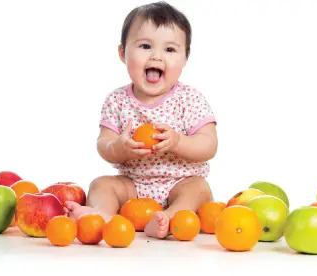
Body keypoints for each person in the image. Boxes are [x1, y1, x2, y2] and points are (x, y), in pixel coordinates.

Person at [65, 1, 218, 239]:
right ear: (122, 53)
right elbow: (103, 144)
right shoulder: (116, 100)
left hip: (180, 181)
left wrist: (178, 142)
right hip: (133, 184)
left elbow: (209, 144)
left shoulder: (190, 99)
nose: (156, 56)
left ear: (185, 58)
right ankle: (101, 215)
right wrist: (118, 147)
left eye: (170, 50)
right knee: (101, 184)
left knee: (199, 188)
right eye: (145, 46)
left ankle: (170, 217)